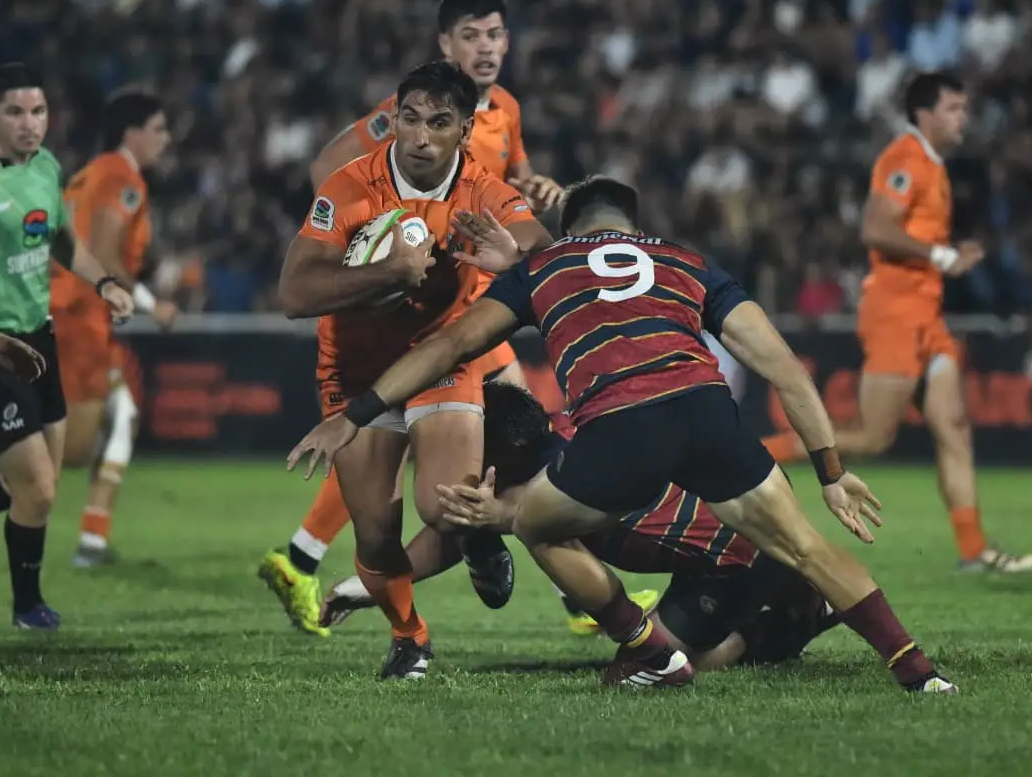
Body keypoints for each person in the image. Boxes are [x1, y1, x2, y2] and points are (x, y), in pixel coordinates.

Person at [289, 176, 957, 694]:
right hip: (705, 410)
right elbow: (784, 367)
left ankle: (651, 652)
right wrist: (832, 472)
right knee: (810, 545)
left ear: (567, 228)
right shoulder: (686, 262)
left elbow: (453, 344)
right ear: (631, 226)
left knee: (536, 525)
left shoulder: (546, 268)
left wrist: (360, 407)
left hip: (622, 425)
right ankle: (920, 673)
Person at [264, 0, 654, 637]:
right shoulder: (408, 115)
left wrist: (536, 197)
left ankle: (545, 572)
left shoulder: (504, 112)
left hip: (465, 310)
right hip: (395, 312)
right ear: (446, 43)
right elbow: (333, 171)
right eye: (471, 35)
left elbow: (517, 198)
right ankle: (533, 565)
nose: (486, 47)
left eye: (495, 35)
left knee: (513, 438)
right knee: (477, 455)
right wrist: (372, 234)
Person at [275, 61, 551, 676]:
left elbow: (539, 244)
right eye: (410, 119)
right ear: (393, 120)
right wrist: (389, 273)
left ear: (464, 129)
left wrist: (517, 256)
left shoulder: (480, 189)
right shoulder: (350, 188)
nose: (421, 137)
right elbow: (294, 295)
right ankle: (410, 636)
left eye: (439, 123)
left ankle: (477, 538)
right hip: (353, 369)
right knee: (374, 534)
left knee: (448, 506)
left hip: (440, 358)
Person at [322, 381, 840, 671]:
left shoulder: (550, 485)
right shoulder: (552, 441)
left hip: (737, 557)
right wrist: (371, 588)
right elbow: (450, 537)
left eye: (478, 447)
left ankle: (791, 621)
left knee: (683, 661)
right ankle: (802, 591)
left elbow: (465, 533)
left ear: (510, 448)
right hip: (734, 530)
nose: (469, 460)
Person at [833, 71, 1032, 573]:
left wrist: (944, 259)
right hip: (896, 311)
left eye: (964, 107)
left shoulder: (934, 165)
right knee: (873, 439)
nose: (962, 117)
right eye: (953, 108)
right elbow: (877, 229)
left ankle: (974, 550)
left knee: (953, 425)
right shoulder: (904, 158)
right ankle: (752, 450)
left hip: (926, 315)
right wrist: (943, 257)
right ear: (924, 113)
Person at [0, 63, 134, 628]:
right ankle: (27, 608)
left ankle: (28, 603)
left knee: (37, 490)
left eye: (39, 111)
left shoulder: (46, 167)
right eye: (16, 112)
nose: (31, 124)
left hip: (38, 339)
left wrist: (103, 284)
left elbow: (62, 242)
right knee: (38, 486)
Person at [50, 90, 176, 567]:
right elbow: (102, 253)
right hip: (79, 319)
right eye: (159, 129)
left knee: (122, 413)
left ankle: (93, 540)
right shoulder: (123, 179)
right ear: (133, 132)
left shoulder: (86, 175)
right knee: (71, 451)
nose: (166, 140)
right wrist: (150, 303)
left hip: (62, 313)